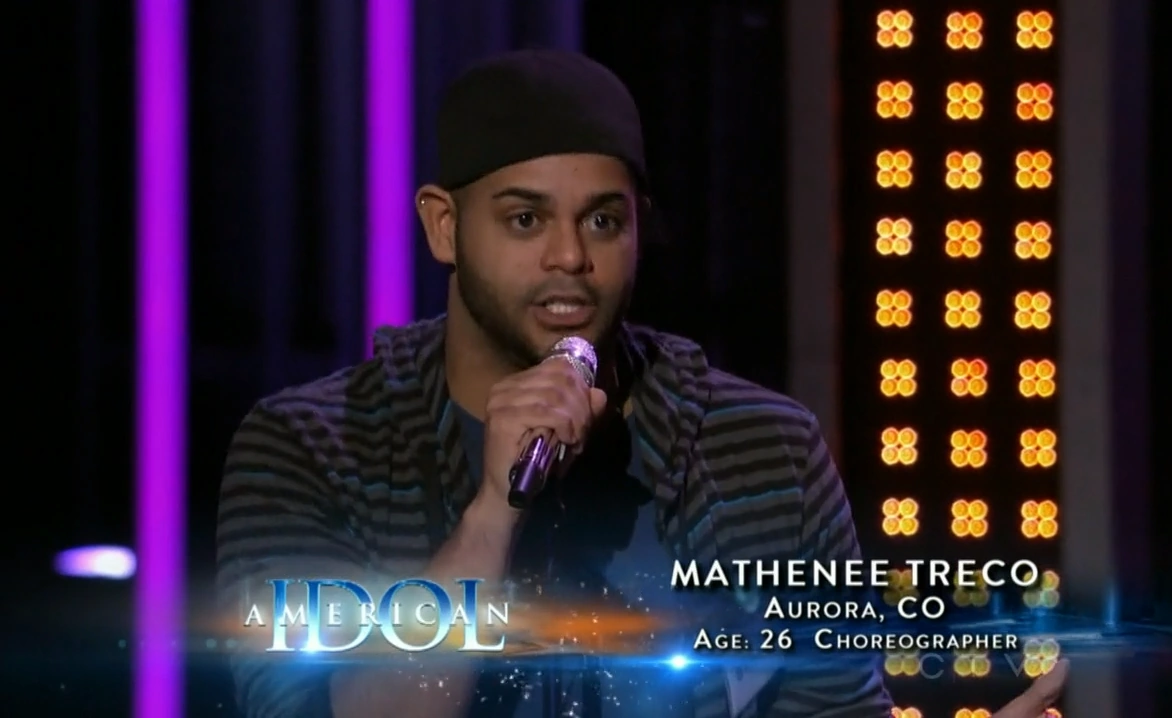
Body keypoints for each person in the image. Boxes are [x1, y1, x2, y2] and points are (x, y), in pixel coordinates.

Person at [216, 49, 1068, 718]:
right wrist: (494, 511)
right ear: (445, 227)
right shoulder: (311, 448)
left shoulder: (761, 447)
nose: (569, 257)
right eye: (525, 219)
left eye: (602, 220)